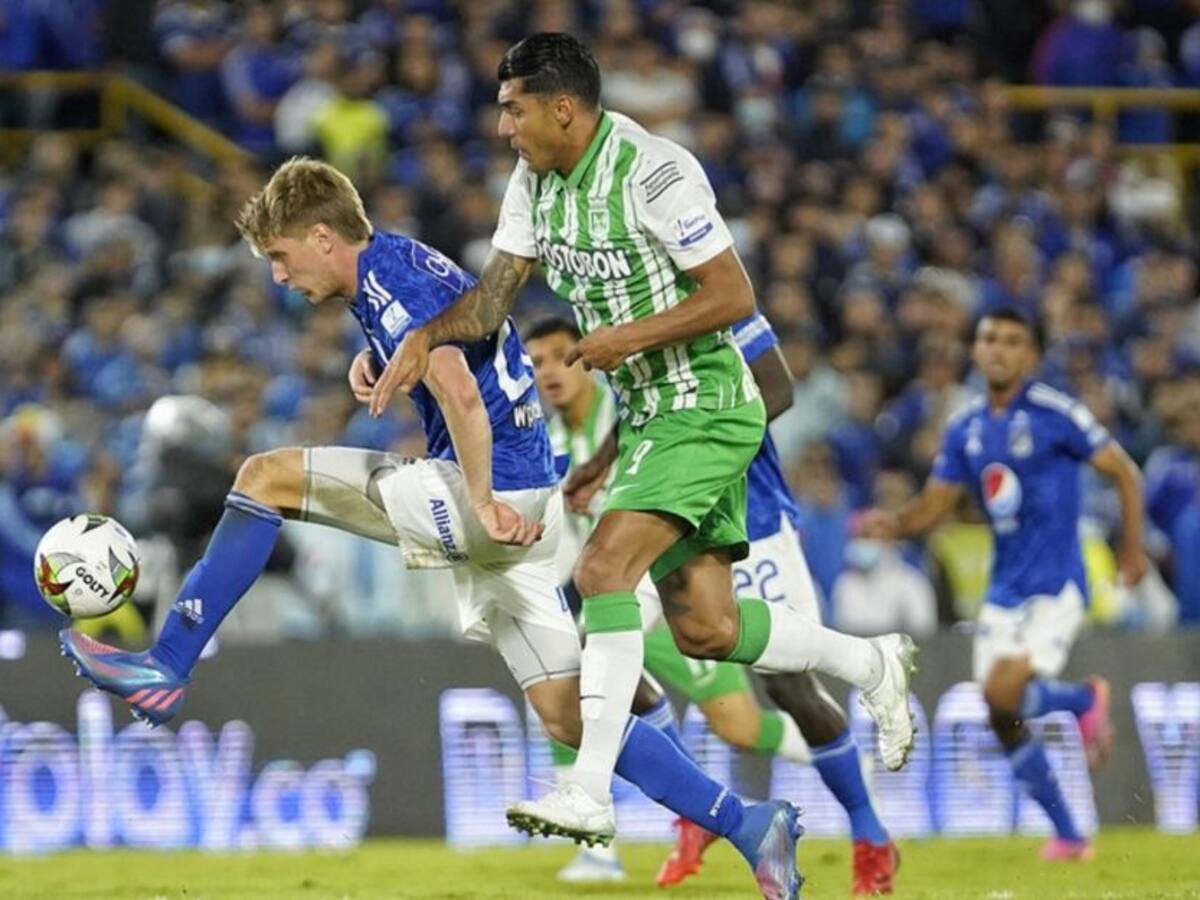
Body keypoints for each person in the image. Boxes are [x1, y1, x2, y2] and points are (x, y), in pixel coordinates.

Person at [59, 157, 805, 900]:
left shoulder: (388, 282)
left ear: (322, 237)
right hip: (527, 497)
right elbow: (465, 337)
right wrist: (379, 356)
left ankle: (168, 662)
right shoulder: (397, 263)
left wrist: (479, 500)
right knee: (569, 715)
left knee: (263, 476)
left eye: (281, 257)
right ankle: (748, 823)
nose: (279, 276)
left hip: (487, 494)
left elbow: (459, 392)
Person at [373, 31, 917, 847]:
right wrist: (420, 339)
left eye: (515, 110)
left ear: (564, 108)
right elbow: (487, 305)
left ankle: (589, 791)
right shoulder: (532, 181)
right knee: (706, 628)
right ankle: (872, 663)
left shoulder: (653, 170)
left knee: (602, 570)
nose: (504, 128)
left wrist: (627, 338)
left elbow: (732, 295)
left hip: (705, 402)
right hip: (651, 417)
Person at [526, 314, 900, 895]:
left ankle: (869, 828)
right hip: (665, 513)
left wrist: (698, 440)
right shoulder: (628, 306)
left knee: (789, 690)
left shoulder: (716, 301)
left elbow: (776, 388)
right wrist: (603, 465)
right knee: (596, 645)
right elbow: (645, 409)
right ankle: (696, 808)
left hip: (751, 514)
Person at [858, 307, 1146, 861]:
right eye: (989, 338)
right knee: (1001, 715)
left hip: (1056, 584)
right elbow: (937, 503)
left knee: (1001, 692)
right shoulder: (965, 426)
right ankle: (1070, 834)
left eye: (1012, 341)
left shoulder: (1056, 413)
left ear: (1031, 355)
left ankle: (1085, 698)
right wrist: (894, 524)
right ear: (974, 350)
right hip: (1003, 588)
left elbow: (1125, 473)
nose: (998, 349)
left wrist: (1130, 551)